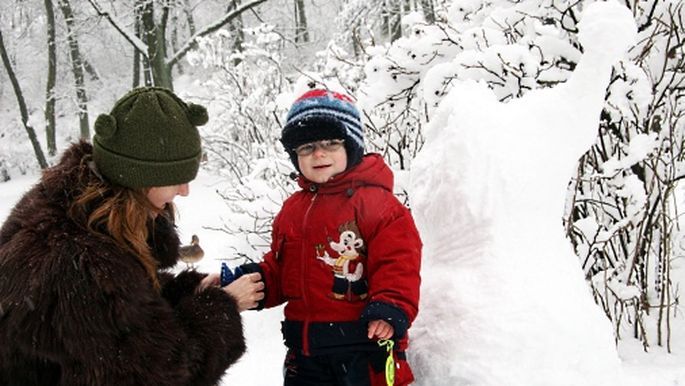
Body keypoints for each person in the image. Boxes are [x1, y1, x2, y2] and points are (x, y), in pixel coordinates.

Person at [0, 87, 264, 385]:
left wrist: (183, 291)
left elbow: (116, 314)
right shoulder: (82, 263)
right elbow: (158, 373)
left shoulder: (64, 211)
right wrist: (220, 308)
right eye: (175, 178)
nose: (185, 190)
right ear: (140, 178)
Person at [229, 88, 422, 385]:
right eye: (306, 147)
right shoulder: (293, 209)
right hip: (305, 352)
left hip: (364, 346)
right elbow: (283, 270)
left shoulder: (378, 205)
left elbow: (399, 263)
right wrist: (257, 281)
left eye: (331, 143)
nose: (318, 154)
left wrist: (390, 307)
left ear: (352, 146)